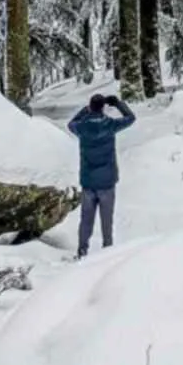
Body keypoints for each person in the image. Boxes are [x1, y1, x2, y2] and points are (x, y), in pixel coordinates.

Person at [66, 91, 136, 256]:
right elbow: (131, 118)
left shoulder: (82, 127)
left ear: (91, 107)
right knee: (107, 220)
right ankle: (107, 251)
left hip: (88, 181)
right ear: (103, 108)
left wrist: (85, 110)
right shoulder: (110, 125)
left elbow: (71, 124)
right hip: (107, 181)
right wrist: (118, 104)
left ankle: (82, 250)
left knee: (86, 220)